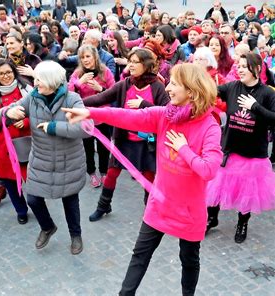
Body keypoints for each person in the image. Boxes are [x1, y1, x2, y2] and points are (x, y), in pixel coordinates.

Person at [63, 63, 223, 295]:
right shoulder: (165, 115)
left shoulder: (210, 126)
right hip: (160, 203)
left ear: (191, 90)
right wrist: (90, 112)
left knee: (189, 259)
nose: (168, 87)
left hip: (189, 211)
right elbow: (127, 116)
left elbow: (209, 170)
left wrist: (184, 149)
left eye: (175, 83)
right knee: (140, 254)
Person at [5, 60, 89, 255]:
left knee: (70, 201)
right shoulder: (32, 98)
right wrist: (8, 112)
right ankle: (47, 226)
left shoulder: (72, 99)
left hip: (69, 161)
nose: (35, 84)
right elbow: (9, 112)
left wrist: (54, 127)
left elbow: (85, 129)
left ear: (52, 81)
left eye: (39, 80)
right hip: (41, 160)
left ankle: (75, 235)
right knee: (33, 199)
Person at [84, 48, 169, 222]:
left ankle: (151, 211)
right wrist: (76, 103)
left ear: (145, 65)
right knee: (112, 173)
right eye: (129, 61)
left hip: (146, 142)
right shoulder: (125, 84)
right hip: (124, 139)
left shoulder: (157, 86)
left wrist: (143, 104)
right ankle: (103, 206)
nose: (130, 65)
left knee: (148, 178)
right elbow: (101, 98)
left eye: (135, 62)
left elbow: (167, 112)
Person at [206, 53, 275, 243]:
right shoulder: (232, 87)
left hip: (253, 154)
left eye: (244, 66)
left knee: (247, 193)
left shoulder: (268, 93)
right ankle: (211, 218)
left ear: (256, 69)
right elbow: (211, 92)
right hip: (230, 150)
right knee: (217, 188)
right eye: (239, 65)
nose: (240, 69)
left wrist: (255, 107)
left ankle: (242, 224)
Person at [0, 59, 32, 216]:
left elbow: (40, 112)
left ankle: (38, 208)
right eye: (1, 73)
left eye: (8, 72)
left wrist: (27, 121)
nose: (6, 76)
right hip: (3, 147)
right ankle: (21, 211)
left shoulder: (27, 90)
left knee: (34, 182)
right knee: (10, 182)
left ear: (14, 72)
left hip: (27, 143)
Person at [68, 44, 115, 187]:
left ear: (95, 57)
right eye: (82, 57)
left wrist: (100, 88)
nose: (85, 60)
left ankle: (104, 172)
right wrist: (77, 83)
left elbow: (114, 92)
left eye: (88, 56)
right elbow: (68, 94)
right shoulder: (77, 73)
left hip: (103, 116)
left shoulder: (105, 71)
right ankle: (92, 173)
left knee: (103, 148)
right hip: (85, 117)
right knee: (88, 148)